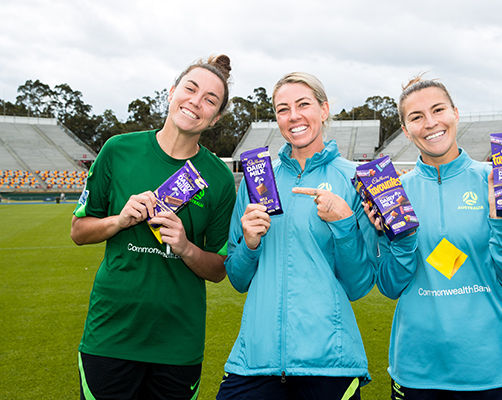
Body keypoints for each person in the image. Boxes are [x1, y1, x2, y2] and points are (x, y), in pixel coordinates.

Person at [70, 55, 236, 400]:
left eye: (210, 99)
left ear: (216, 117)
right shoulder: (118, 150)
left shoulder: (218, 178)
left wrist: (186, 247)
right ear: (172, 92)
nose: (195, 102)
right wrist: (119, 220)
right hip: (111, 335)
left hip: (178, 344)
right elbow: (78, 231)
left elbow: (219, 269)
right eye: (190, 89)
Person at [365, 75, 502, 400]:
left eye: (438, 110)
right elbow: (389, 286)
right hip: (417, 371)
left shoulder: (496, 180)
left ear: (455, 113)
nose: (430, 123)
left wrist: (501, 223)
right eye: (416, 117)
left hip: (491, 368)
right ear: (405, 129)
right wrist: (399, 241)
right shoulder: (393, 193)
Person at [217, 72, 377, 400]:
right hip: (255, 361)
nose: (293, 116)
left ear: (324, 109)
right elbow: (237, 277)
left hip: (330, 361)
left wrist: (345, 224)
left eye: (303, 104)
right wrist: (248, 244)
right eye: (282, 109)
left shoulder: (356, 179)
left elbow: (359, 283)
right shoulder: (257, 180)